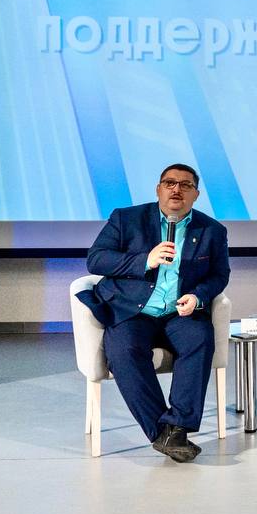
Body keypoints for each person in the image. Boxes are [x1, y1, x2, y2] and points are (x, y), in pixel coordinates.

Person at [77, 164, 230, 462]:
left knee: (200, 338)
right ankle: (165, 433)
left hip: (179, 312)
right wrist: (145, 260)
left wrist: (197, 296)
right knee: (123, 351)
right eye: (169, 183)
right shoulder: (126, 219)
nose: (177, 189)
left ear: (196, 195)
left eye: (185, 185)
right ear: (158, 189)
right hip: (132, 310)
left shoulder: (212, 230)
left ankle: (178, 426)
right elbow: (96, 259)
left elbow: (219, 275)